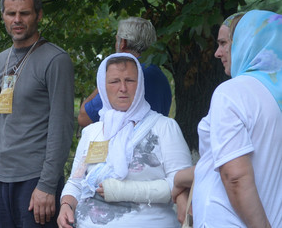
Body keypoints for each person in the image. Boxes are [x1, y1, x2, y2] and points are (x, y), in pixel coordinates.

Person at [57, 54, 191, 228]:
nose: (123, 88)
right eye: (114, 82)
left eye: (130, 80)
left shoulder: (165, 127)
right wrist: (66, 206)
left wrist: (122, 191)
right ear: (103, 87)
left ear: (141, 84)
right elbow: (76, 181)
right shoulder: (92, 132)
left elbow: (181, 182)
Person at [175, 11, 282, 227]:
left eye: (224, 43)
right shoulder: (273, 94)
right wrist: (179, 180)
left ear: (247, 41)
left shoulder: (234, 92)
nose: (217, 53)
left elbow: (235, 176)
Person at [0, 0, 74, 227]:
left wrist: (47, 185)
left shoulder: (56, 60)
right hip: (2, 179)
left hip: (35, 181)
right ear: (2, 16)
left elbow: (61, 127)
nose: (17, 20)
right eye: (11, 13)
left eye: (25, 13)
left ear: (39, 15)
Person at [78, 17, 172, 127]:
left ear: (123, 43)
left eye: (117, 39)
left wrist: (109, 80)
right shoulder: (160, 76)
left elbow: (84, 117)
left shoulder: (135, 75)